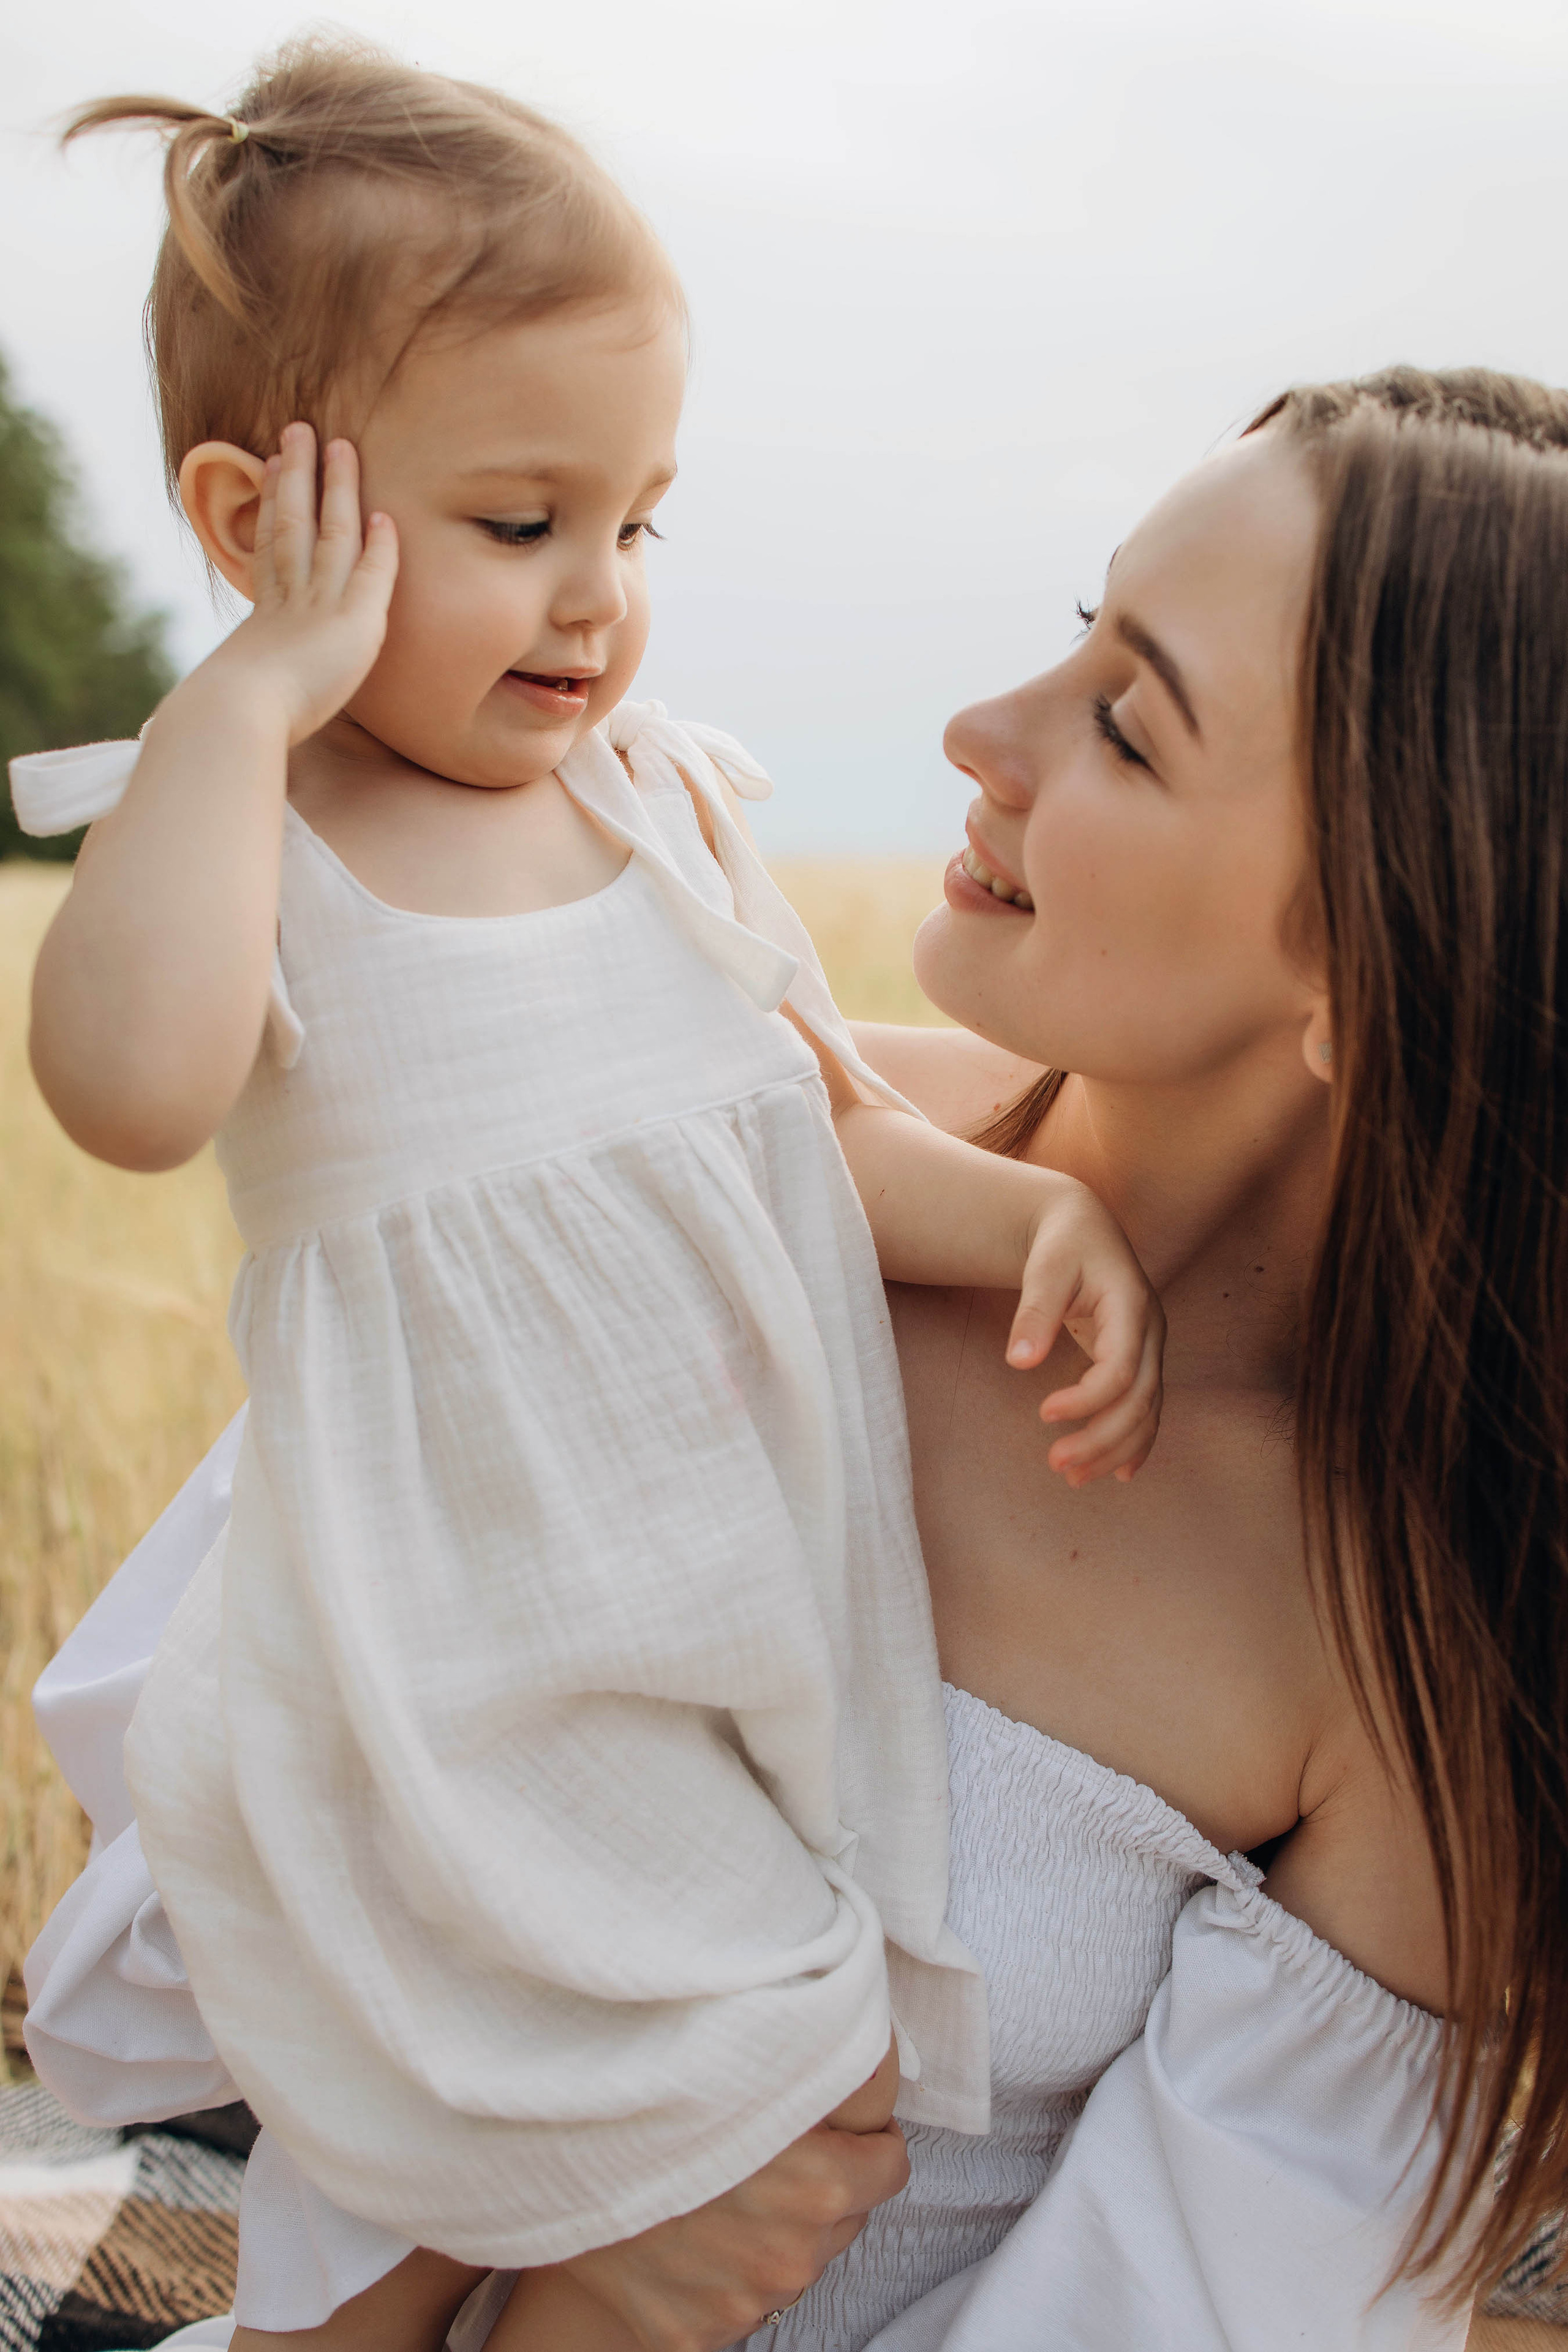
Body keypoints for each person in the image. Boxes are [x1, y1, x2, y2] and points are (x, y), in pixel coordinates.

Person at [26, 365, 1568, 2352]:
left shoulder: (1416, 1653)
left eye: (1128, 722)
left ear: (1383, 960)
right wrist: (585, 2205)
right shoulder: (681, 1155)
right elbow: (181, 1865)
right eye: (1075, 626)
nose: (984, 732)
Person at [12, 37, 1169, 2352]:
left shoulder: (654, 805)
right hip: (432, 1686)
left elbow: (802, 1129)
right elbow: (126, 1094)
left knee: (776, 2098)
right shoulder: (260, 829)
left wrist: (1026, 1216)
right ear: (254, 525)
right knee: (417, 2175)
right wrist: (244, 703)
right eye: (519, 525)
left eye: (637, 526)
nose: (595, 602)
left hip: (703, 1660)